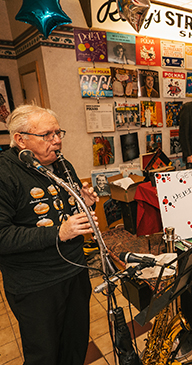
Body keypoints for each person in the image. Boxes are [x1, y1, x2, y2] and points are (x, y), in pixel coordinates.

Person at [0, 104, 99, 364]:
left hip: (74, 272)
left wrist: (86, 204)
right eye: (47, 135)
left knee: (75, 346)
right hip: (36, 285)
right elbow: (2, 236)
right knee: (44, 356)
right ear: (21, 139)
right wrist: (58, 233)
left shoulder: (60, 163)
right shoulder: (4, 173)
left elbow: (70, 209)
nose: (57, 141)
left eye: (58, 133)